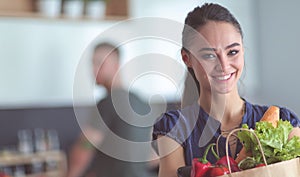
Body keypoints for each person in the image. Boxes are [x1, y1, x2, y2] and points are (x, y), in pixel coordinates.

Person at [151, 3, 300, 177]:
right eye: (209, 55)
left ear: (243, 50)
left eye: (232, 52)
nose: (223, 65)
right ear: (187, 59)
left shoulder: (282, 121)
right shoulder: (174, 128)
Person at [67, 42, 155, 177]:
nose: (94, 70)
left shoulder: (108, 103)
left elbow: (85, 147)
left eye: (101, 64)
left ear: (116, 66)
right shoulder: (141, 102)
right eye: (93, 64)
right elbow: (153, 155)